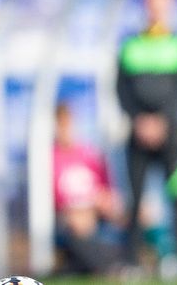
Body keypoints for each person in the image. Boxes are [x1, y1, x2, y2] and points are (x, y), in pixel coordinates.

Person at [116, 0, 177, 275]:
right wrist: (139, 120)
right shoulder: (131, 44)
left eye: (162, 4)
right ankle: (134, 261)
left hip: (171, 135)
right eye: (152, 3)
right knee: (135, 199)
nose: (157, 9)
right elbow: (121, 89)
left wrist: (162, 121)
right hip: (138, 134)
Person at [51, 103, 124, 276]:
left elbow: (107, 192)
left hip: (97, 215)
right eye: (62, 125)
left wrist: (105, 204)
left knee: (140, 213)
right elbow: (54, 201)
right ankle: (113, 267)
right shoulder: (50, 158)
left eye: (69, 124)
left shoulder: (91, 155)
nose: (66, 130)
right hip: (68, 220)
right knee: (77, 224)